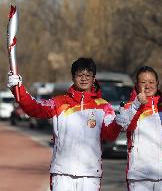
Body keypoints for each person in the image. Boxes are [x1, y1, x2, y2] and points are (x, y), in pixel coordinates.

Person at [7, 57, 122, 191]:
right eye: (80, 75)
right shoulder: (59, 103)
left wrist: (119, 122)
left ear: (93, 78)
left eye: (87, 75)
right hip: (62, 172)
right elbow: (34, 108)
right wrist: (18, 88)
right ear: (73, 78)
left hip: (90, 173)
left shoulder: (103, 107)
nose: (84, 79)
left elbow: (110, 134)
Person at [116, 66, 162, 191]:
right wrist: (137, 104)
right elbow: (123, 125)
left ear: (157, 84)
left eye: (151, 82)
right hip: (139, 176)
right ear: (137, 84)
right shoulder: (128, 107)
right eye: (143, 82)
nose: (147, 86)